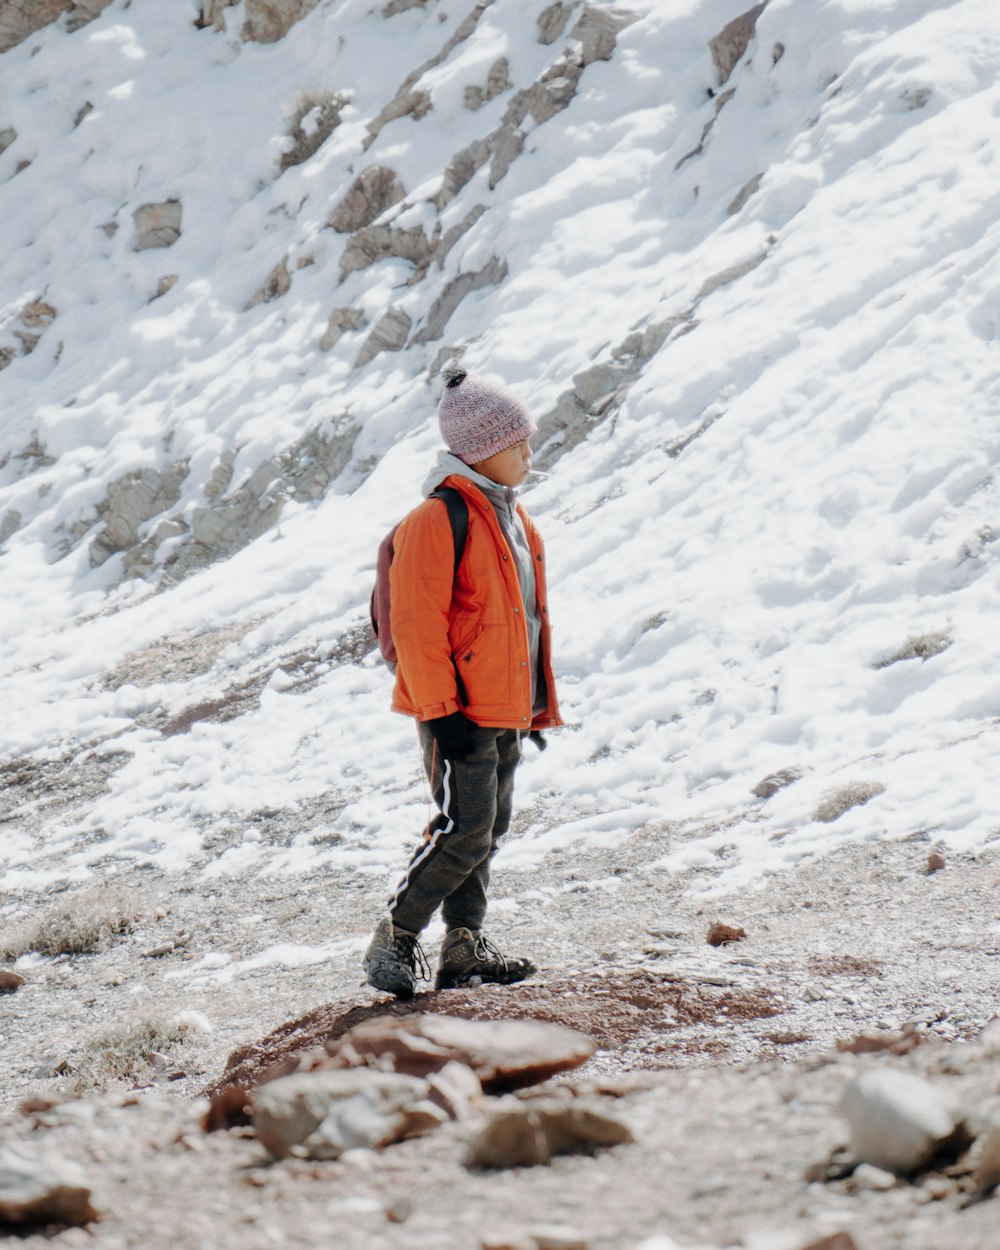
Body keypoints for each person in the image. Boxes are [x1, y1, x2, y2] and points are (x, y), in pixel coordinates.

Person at [363, 367, 562, 997]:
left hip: (501, 707)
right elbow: (418, 624)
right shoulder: (437, 518)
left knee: (488, 826)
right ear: (480, 450)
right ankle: (396, 935)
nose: (530, 454)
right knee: (463, 826)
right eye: (518, 443)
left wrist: (528, 705)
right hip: (460, 712)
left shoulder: (511, 519)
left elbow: (520, 619)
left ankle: (464, 945)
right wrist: (441, 711)